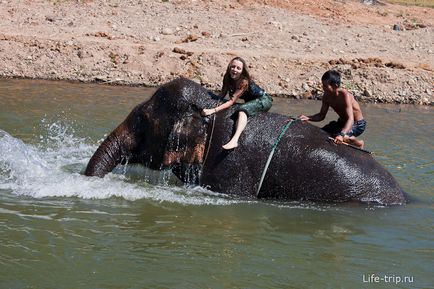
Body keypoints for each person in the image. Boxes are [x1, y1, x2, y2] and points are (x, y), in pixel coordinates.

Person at [202, 57, 273, 150]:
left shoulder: (243, 82)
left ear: (242, 71)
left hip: (264, 100)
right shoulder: (227, 77)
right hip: (251, 101)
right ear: (229, 67)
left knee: (242, 110)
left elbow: (231, 101)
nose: (235, 70)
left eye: (238, 68)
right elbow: (222, 95)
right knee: (241, 107)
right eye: (233, 67)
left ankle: (234, 140)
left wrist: (213, 110)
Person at [298, 70, 366, 148]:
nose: (323, 88)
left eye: (325, 86)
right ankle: (343, 135)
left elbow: (350, 119)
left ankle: (359, 143)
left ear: (335, 86)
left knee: (341, 136)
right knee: (321, 132)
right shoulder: (326, 97)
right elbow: (321, 115)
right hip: (341, 123)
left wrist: (342, 134)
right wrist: (308, 118)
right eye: (322, 85)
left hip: (357, 124)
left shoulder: (344, 95)